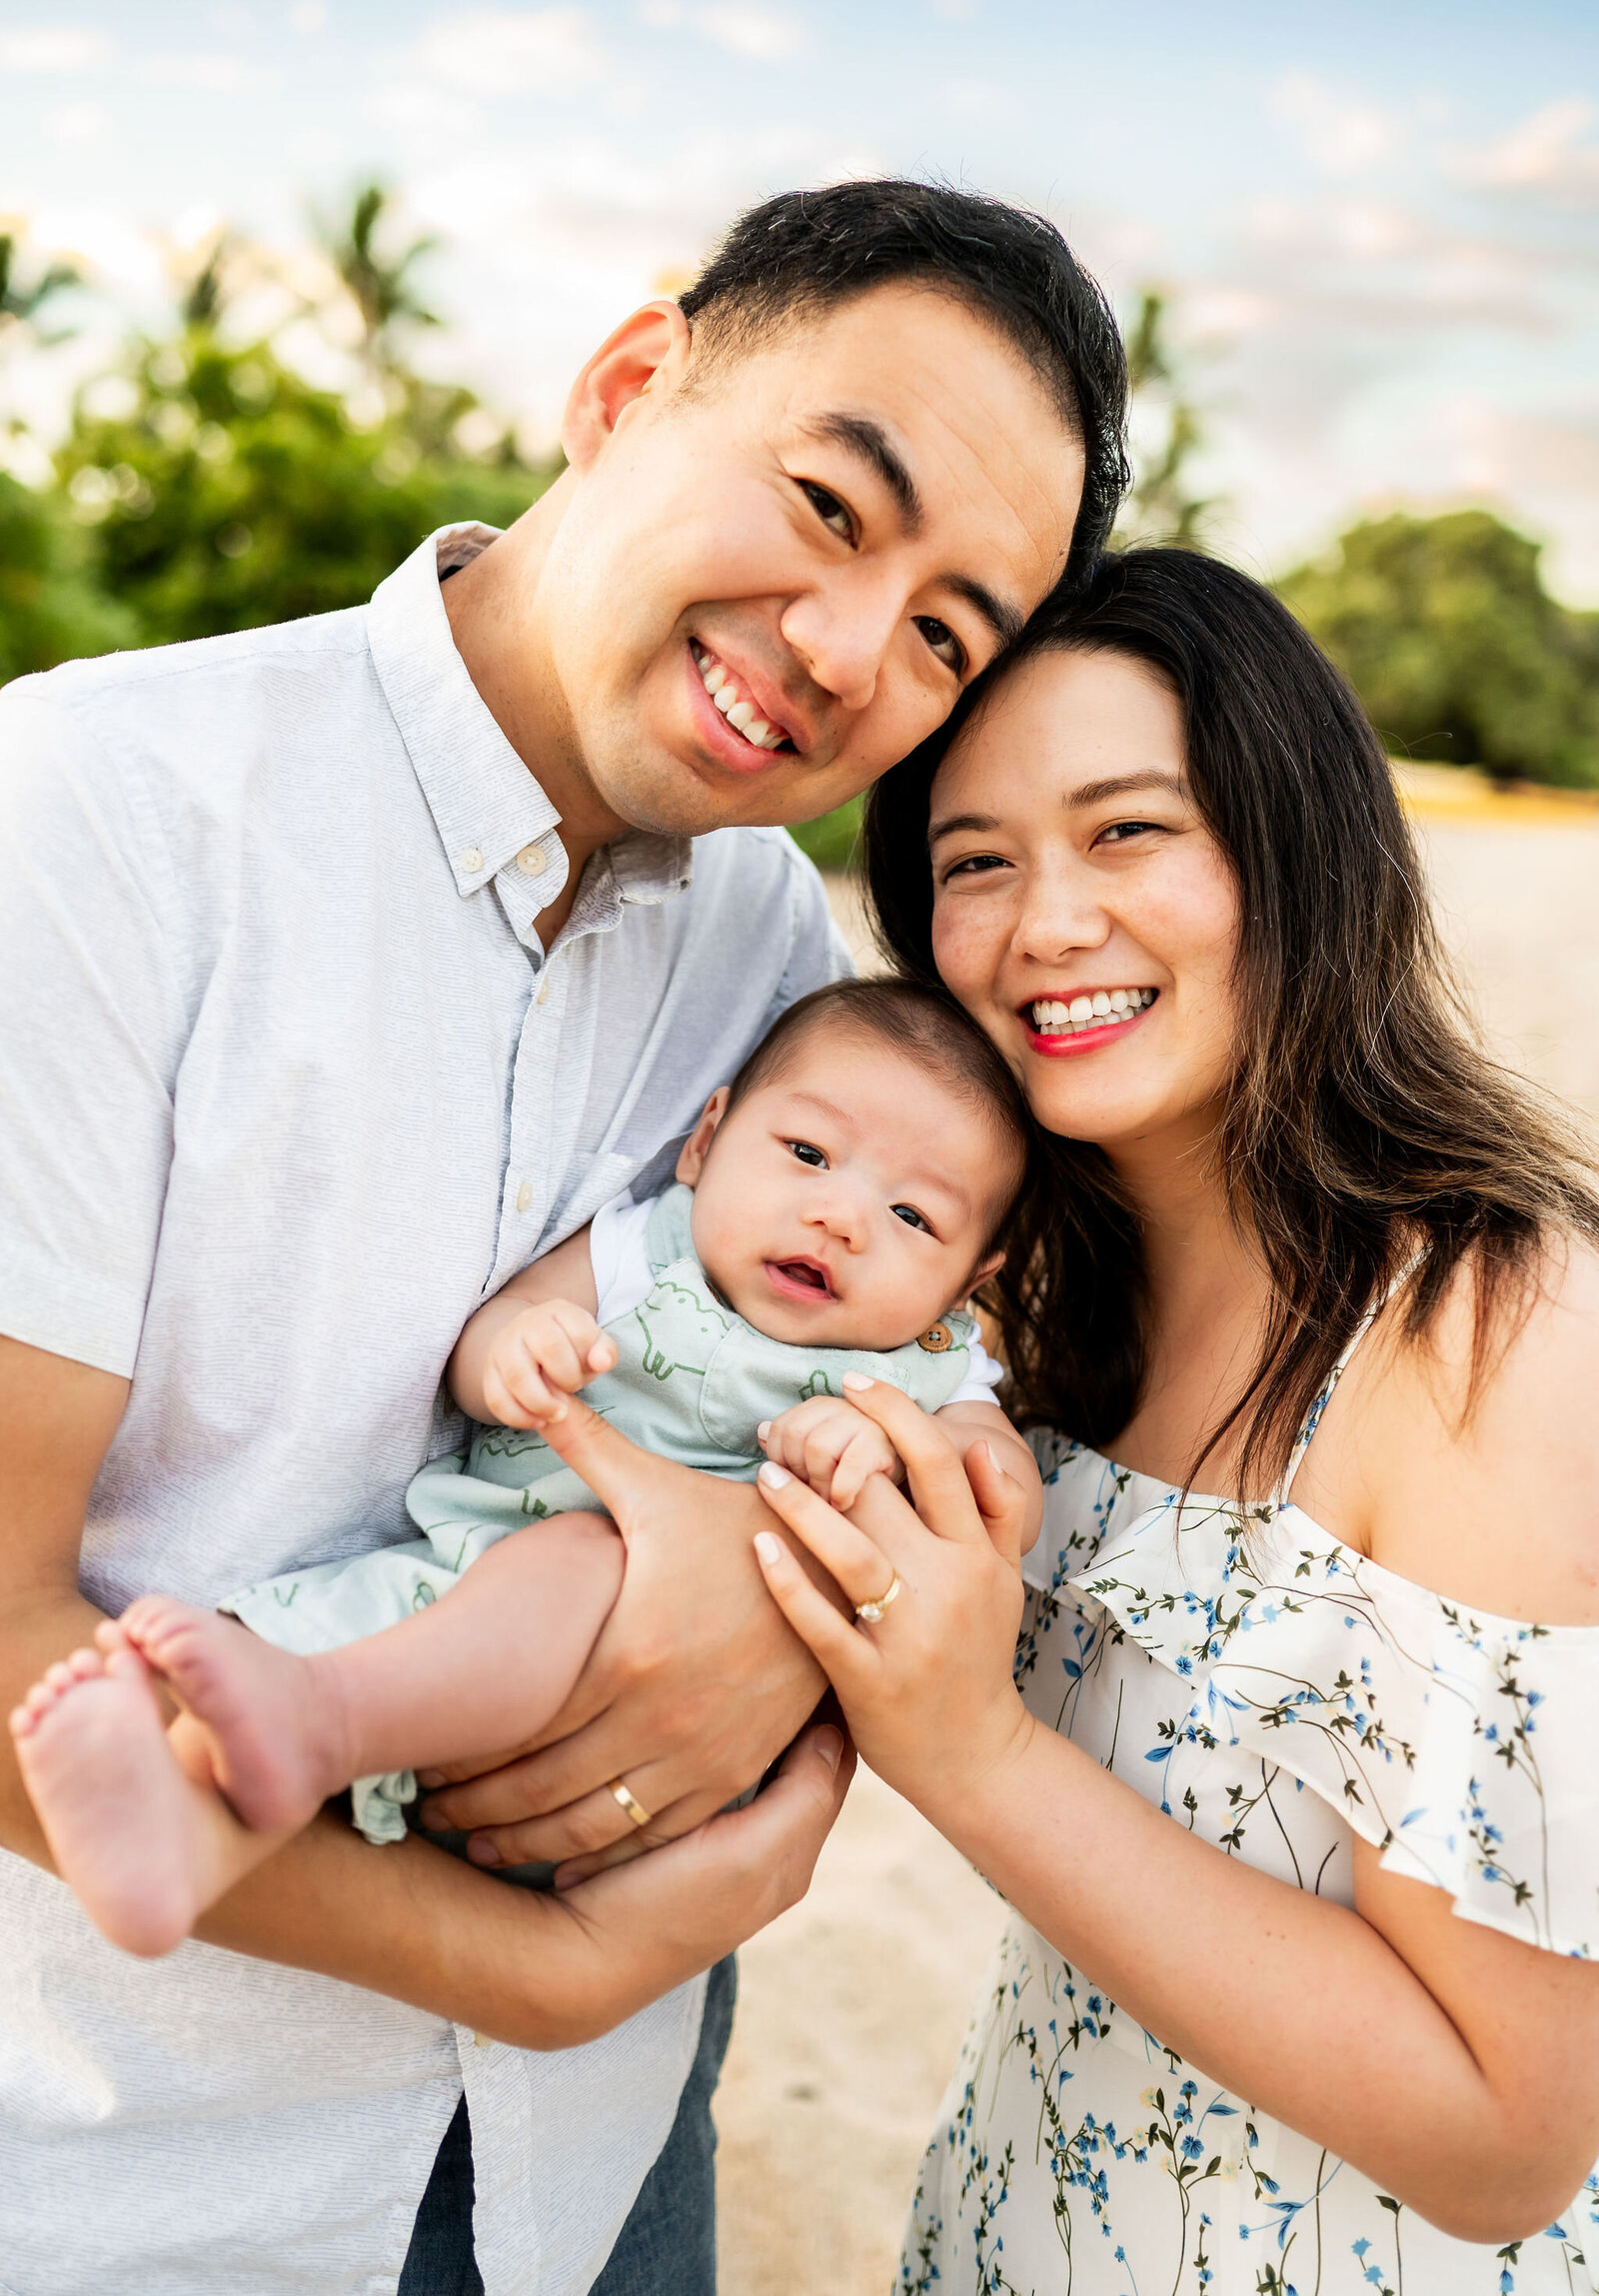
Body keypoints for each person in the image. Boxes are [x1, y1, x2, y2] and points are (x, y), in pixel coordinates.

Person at [0, 177, 1124, 2294]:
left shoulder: (775, 947)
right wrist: (527, 1954)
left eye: (947, 632)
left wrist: (760, 1605)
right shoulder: (96, 812)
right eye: (824, 504)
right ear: (625, 387)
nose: (844, 650)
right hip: (151, 2182)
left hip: (605, 2157)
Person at [750, 549, 1599, 2291]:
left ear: (1296, 850)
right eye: (974, 863)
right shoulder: (1045, 1303)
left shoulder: (1483, 1329)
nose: (1045, 922)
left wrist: (974, 1754)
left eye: (1128, 831)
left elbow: (1510, 2135)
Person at [15, 979, 1045, 1957]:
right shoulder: (646, 1249)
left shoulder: (926, 1363)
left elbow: (1000, 1481)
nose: (843, 1216)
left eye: (915, 1216)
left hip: (635, 1698)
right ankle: (183, 1847)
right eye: (807, 1151)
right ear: (705, 1139)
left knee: (587, 1555)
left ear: (973, 1277)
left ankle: (320, 1723)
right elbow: (493, 1333)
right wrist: (513, 1347)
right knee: (247, 1657)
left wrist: (890, 1452)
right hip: (454, 1586)